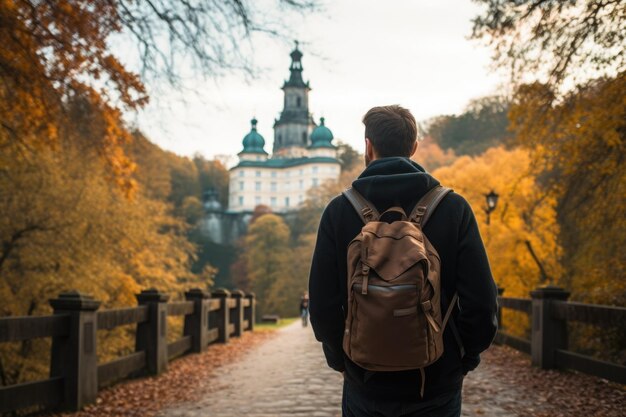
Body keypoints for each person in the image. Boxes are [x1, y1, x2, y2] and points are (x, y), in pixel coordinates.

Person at [309, 105, 498, 416]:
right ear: (414, 147)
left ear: (367, 147)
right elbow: (482, 301)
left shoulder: (339, 211)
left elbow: (322, 305)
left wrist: (341, 361)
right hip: (436, 380)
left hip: (364, 381)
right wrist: (464, 357)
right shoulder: (453, 208)